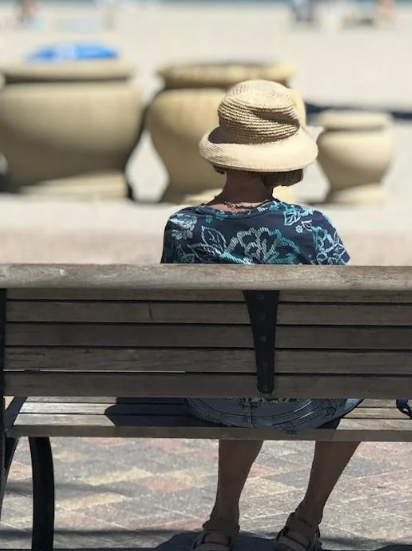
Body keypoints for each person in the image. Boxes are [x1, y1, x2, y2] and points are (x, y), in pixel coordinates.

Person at [160, 80, 361, 551]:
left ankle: (221, 523)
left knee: (242, 365)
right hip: (301, 402)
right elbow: (346, 315)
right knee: (363, 379)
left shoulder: (182, 227)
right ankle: (305, 522)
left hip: (211, 399)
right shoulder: (311, 229)